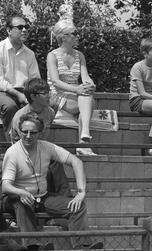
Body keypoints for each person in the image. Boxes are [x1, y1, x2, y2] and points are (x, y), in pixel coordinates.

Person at [1, 113, 102, 251]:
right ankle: (35, 248)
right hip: (14, 197)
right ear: (19, 131)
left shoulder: (46, 147)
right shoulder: (13, 153)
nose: (28, 136)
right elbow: (5, 186)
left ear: (40, 133)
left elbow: (76, 161)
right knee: (22, 203)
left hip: (42, 196)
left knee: (78, 206)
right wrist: (21, 192)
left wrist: (81, 193)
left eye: (33, 132)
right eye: (24, 131)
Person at [10, 78, 71, 197]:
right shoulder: (20, 117)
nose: (49, 96)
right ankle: (64, 199)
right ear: (33, 96)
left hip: (40, 151)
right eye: (45, 93)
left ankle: (65, 198)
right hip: (23, 155)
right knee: (51, 164)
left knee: (56, 160)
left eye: (49, 92)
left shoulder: (49, 112)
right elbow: (23, 146)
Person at [47, 19, 96, 156]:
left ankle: (84, 139)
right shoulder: (52, 56)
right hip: (58, 94)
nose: (77, 36)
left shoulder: (79, 55)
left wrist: (90, 84)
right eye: (74, 33)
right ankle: (84, 142)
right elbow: (56, 82)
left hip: (77, 94)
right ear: (63, 37)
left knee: (87, 96)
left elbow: (85, 77)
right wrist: (77, 89)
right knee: (88, 101)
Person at [0, 16, 40, 138]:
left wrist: (35, 95)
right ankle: (13, 144)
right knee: (10, 106)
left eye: (26, 27)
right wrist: (19, 95)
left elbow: (35, 80)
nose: (24, 30)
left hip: (24, 91)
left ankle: (37, 143)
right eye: (20, 27)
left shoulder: (30, 54)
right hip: (0, 92)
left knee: (45, 105)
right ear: (8, 30)